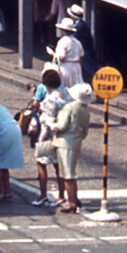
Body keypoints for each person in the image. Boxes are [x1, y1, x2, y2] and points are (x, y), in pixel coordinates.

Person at [46, 84, 94, 213]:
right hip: (76, 142)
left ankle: (71, 202)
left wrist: (49, 123)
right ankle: (74, 198)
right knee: (69, 172)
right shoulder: (85, 110)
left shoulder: (69, 108)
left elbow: (61, 126)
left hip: (65, 142)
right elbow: (85, 131)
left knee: (68, 175)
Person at [30, 67, 71, 206]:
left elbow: (46, 120)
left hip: (49, 135)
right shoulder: (66, 94)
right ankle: (61, 195)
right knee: (59, 165)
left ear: (46, 84)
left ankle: (42, 195)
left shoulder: (50, 100)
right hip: (64, 135)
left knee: (41, 163)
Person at [49, 15, 84, 89]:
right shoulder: (78, 42)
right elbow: (81, 57)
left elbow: (62, 57)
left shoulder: (63, 41)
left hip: (66, 67)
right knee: (76, 89)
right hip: (76, 67)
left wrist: (52, 54)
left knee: (65, 88)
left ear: (63, 31)